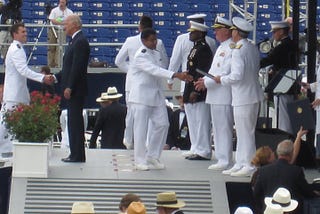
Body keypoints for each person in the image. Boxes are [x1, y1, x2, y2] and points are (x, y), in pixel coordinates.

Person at [128, 28, 192, 170]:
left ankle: (153, 155)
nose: (154, 42)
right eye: (151, 40)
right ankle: (140, 160)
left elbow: (160, 69)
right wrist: (175, 75)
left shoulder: (156, 54)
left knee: (163, 124)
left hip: (156, 95)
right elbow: (154, 70)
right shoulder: (140, 55)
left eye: (155, 39)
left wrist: (173, 75)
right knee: (141, 129)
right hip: (141, 96)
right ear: (143, 41)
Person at [213, 17, 264, 177]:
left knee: (245, 133)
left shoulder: (238, 50)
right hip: (250, 94)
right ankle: (241, 162)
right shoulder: (251, 47)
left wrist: (221, 79)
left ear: (236, 32)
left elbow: (236, 76)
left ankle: (249, 164)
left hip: (243, 96)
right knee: (244, 132)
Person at [115, 15, 169, 150]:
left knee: (132, 114)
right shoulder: (159, 42)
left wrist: (131, 71)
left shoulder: (131, 40)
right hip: (150, 81)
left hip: (134, 82)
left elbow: (118, 61)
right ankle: (146, 143)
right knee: (150, 117)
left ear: (140, 27)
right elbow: (164, 63)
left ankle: (129, 141)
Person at [0, 22, 53, 156]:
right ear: (15, 34)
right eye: (23, 32)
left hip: (17, 94)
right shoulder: (16, 49)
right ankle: (6, 150)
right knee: (5, 124)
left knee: (11, 124)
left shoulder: (17, 48)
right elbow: (23, 70)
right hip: (14, 95)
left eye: (25, 31)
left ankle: (10, 150)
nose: (26, 34)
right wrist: (42, 78)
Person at [194, 16, 234, 170]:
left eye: (218, 29)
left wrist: (206, 82)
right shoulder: (221, 47)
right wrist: (204, 80)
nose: (215, 32)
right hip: (215, 93)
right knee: (217, 128)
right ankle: (221, 157)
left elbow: (224, 72)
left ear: (226, 30)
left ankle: (225, 159)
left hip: (223, 93)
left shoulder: (231, 47)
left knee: (223, 127)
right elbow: (213, 71)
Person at [56, 14, 90, 163]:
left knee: (75, 122)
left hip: (76, 90)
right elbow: (69, 67)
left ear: (75, 25)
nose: (64, 26)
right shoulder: (74, 41)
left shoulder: (80, 42)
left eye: (66, 23)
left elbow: (77, 67)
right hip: (73, 88)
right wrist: (55, 77)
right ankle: (75, 153)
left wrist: (70, 86)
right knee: (72, 122)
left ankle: (77, 155)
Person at [253, 140, 319, 213]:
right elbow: (306, 191)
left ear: (277, 153)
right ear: (291, 154)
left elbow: (256, 194)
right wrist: (315, 193)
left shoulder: (263, 171)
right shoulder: (296, 171)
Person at [260, 20, 299, 135]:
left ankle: (285, 139)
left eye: (275, 32)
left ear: (281, 31)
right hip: (289, 84)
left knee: (283, 118)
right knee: (287, 116)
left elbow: (268, 60)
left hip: (282, 85)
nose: (273, 34)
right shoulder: (290, 44)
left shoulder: (282, 47)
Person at [182, 21, 213, 161]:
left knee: (201, 121)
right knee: (193, 120)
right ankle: (195, 146)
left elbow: (202, 71)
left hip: (198, 88)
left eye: (193, 32)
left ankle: (204, 150)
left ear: (200, 33)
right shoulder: (195, 48)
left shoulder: (204, 49)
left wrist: (197, 91)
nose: (190, 34)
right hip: (190, 86)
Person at [167, 13, 216, 94]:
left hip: (188, 82)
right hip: (204, 83)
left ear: (190, 24)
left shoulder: (181, 39)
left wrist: (170, 79)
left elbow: (175, 60)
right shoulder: (211, 41)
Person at [48, 0, 73, 68]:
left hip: (63, 31)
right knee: (52, 47)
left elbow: (70, 21)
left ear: (66, 3)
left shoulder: (70, 12)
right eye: (60, 2)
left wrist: (64, 25)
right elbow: (52, 20)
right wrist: (62, 23)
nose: (61, 4)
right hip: (53, 30)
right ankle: (50, 64)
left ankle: (57, 64)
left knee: (60, 48)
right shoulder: (54, 10)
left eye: (63, 2)